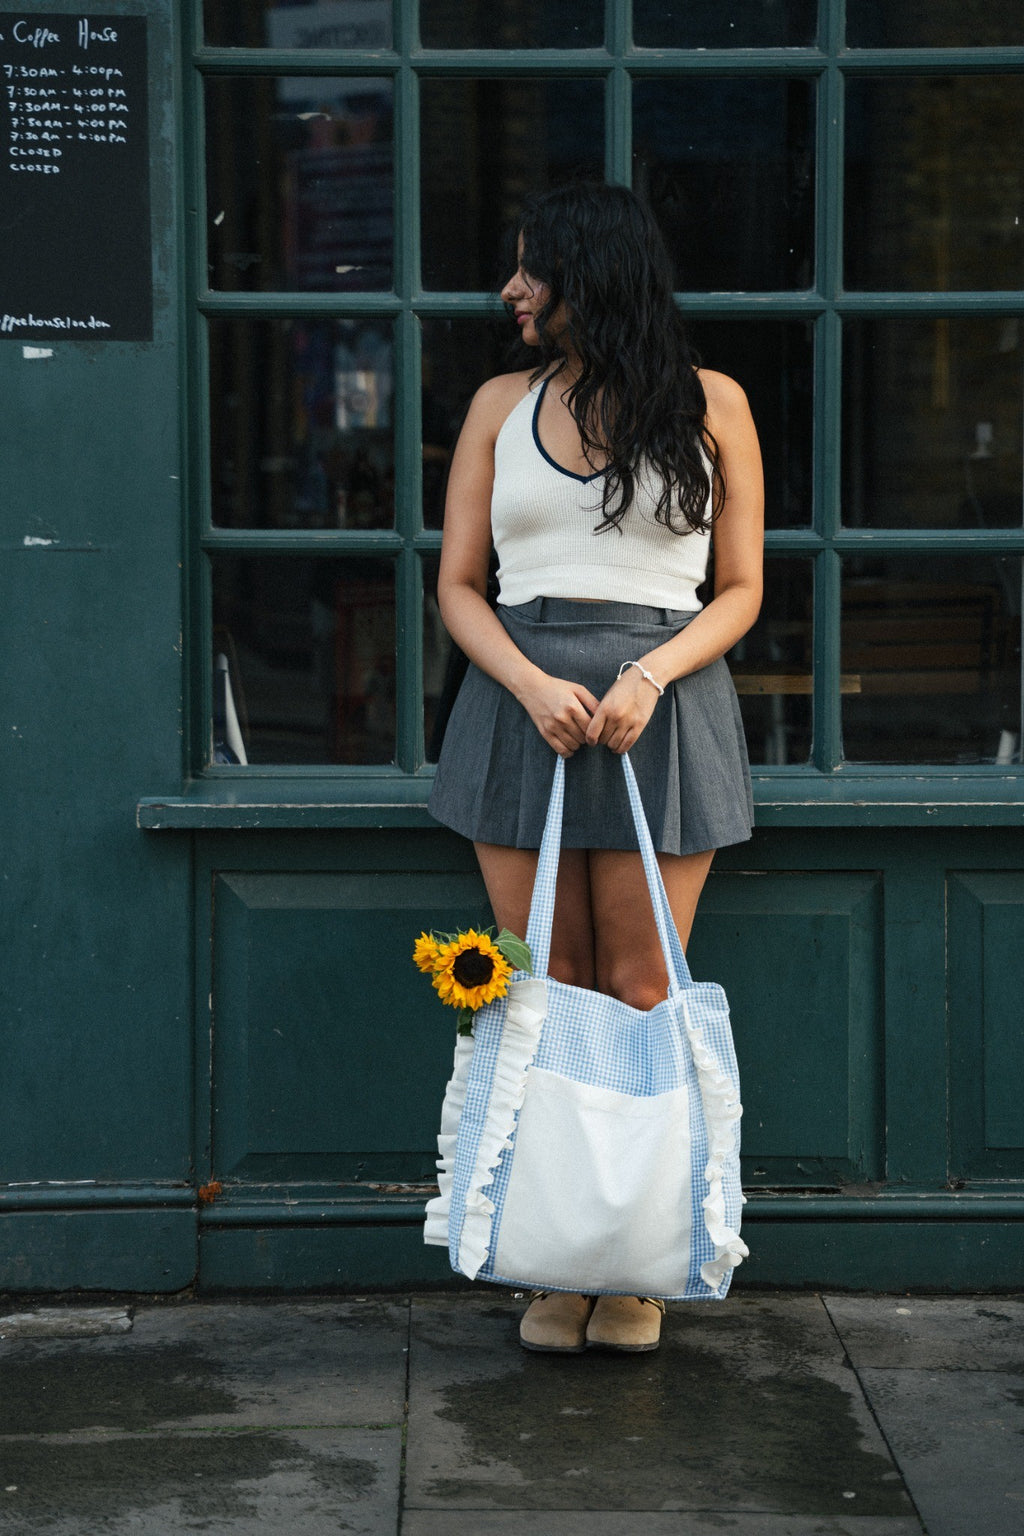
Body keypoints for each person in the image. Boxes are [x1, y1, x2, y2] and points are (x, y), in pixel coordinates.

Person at [428, 182, 764, 1354]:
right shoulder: (495, 405)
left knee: (636, 992)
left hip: (657, 713)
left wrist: (650, 676)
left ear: (592, 277)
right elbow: (459, 586)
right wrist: (526, 684)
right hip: (522, 713)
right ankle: (554, 1260)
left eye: (530, 270)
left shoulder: (712, 405)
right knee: (543, 990)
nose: (510, 291)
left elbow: (741, 591)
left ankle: (633, 1270)